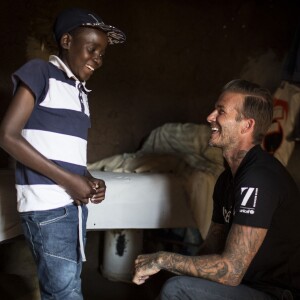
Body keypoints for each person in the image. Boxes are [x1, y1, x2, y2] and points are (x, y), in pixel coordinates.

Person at [133, 79, 300, 300]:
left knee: (177, 289)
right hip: (245, 286)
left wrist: (163, 259)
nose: (210, 117)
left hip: (276, 294)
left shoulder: (258, 177)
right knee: (173, 281)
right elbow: (211, 249)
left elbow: (231, 271)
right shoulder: (226, 179)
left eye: (221, 111)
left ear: (246, 125)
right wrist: (166, 267)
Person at [0, 7, 125, 300]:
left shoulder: (79, 91)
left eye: (102, 53)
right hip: (49, 208)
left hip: (73, 207)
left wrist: (88, 178)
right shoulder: (40, 71)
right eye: (91, 48)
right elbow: (7, 135)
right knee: (65, 293)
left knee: (65, 288)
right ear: (67, 41)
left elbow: (64, 153)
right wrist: (70, 181)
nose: (97, 58)